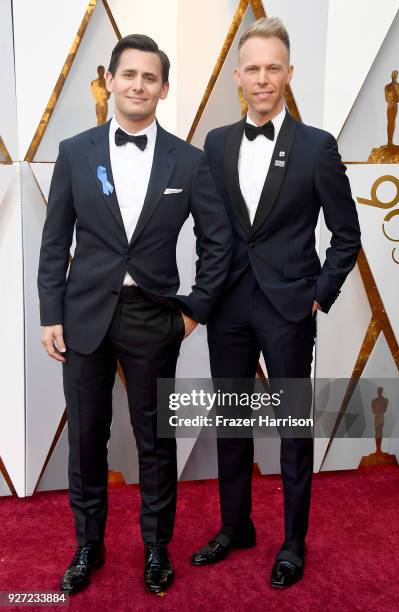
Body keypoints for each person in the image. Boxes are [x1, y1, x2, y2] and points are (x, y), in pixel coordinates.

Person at [37, 33, 232, 595]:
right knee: (86, 439)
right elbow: (55, 242)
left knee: (155, 441)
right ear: (112, 81)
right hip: (83, 315)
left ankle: (155, 549)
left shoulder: (189, 161)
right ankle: (87, 546)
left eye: (150, 77)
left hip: (154, 316)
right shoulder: (75, 152)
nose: (139, 85)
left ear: (163, 88)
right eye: (129, 75)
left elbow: (216, 243)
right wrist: (53, 312)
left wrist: (193, 311)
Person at [191, 17, 361, 588]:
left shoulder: (317, 146)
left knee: (292, 430)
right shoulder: (215, 144)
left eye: (274, 67)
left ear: (289, 73)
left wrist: (320, 296)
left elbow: (346, 233)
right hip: (228, 308)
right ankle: (235, 525)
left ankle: (293, 541)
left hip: (290, 309)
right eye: (254, 69)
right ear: (238, 77)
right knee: (231, 423)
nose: (263, 78)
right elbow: (212, 230)